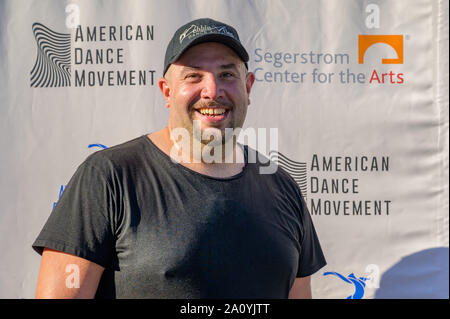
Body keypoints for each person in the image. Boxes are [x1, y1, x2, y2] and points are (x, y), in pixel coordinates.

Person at [33, 18, 326, 299]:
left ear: (247, 87)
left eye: (227, 74)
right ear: (167, 91)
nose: (212, 90)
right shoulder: (109, 176)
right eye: (193, 75)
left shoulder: (282, 186)